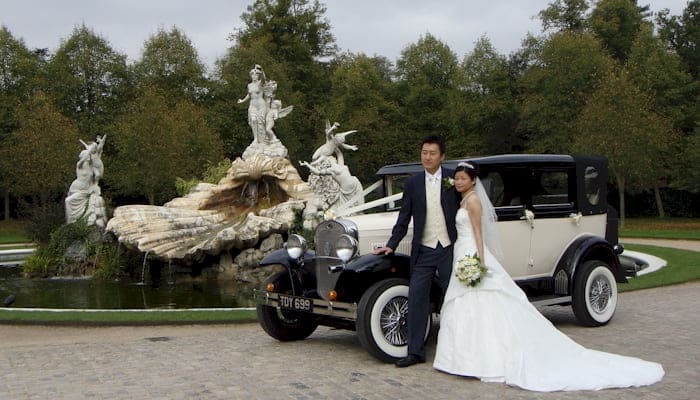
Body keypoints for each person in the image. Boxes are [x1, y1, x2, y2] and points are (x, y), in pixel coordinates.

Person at [433, 161, 665, 391]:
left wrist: (480, 261)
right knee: (466, 302)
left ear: (473, 180)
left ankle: (479, 358)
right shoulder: (463, 199)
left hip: (471, 251)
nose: (459, 182)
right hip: (461, 251)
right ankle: (463, 356)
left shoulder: (473, 201)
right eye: (458, 178)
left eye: (464, 178)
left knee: (481, 299)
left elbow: (478, 233)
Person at [373, 135, 459, 368]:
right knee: (417, 298)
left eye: (432, 153)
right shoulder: (412, 183)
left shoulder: (454, 178)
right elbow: (404, 218)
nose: (427, 157)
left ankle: (458, 349)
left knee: (455, 298)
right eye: (424, 152)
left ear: (442, 156)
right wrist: (391, 244)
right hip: (424, 250)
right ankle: (415, 352)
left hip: (450, 248)